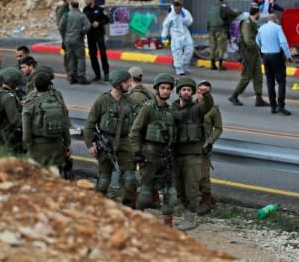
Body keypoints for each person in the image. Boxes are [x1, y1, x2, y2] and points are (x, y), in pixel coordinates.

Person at [84, 69, 137, 208]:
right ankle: (97, 205)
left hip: (125, 142)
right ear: (118, 84)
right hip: (106, 142)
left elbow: (137, 124)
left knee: (131, 178)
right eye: (126, 82)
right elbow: (90, 124)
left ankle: (128, 204)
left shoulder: (130, 101)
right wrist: (90, 145)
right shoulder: (103, 101)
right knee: (103, 181)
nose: (129, 85)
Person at [130, 73, 177, 226]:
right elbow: (135, 131)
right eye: (163, 88)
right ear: (157, 89)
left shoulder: (170, 111)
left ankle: (167, 223)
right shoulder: (148, 108)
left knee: (170, 191)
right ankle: (137, 220)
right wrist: (137, 152)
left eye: (168, 89)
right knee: (146, 189)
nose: (166, 91)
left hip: (166, 156)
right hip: (149, 155)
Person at [171, 77, 213, 231]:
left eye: (189, 90)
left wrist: (206, 94)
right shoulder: (172, 110)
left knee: (192, 189)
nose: (186, 92)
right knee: (180, 189)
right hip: (176, 154)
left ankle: (192, 218)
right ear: (179, 92)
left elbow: (207, 105)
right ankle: (186, 215)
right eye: (184, 89)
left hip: (193, 154)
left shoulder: (196, 109)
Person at [22, 72, 71, 174]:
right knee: (55, 179)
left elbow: (26, 131)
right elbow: (65, 124)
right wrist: (67, 145)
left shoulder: (31, 103)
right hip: (57, 147)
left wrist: (29, 147)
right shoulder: (58, 100)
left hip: (38, 148)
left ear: (35, 86)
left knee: (38, 180)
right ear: (49, 86)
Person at [229, 5, 269, 107]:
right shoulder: (247, 23)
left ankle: (259, 98)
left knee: (258, 76)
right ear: (256, 13)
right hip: (248, 54)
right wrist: (259, 47)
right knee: (246, 76)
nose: (259, 15)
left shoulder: (252, 23)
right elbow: (248, 40)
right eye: (259, 13)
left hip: (253, 53)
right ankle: (234, 96)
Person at [256, 13, 292, 115]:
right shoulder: (278, 28)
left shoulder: (262, 28)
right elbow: (283, 42)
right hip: (276, 56)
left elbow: (257, 41)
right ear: (276, 19)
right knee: (281, 81)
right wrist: (288, 55)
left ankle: (273, 106)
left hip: (265, 56)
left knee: (270, 81)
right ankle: (281, 105)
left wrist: (263, 48)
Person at [197, 80, 223, 216]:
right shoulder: (190, 105)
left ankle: (206, 199)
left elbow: (218, 128)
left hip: (204, 146)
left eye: (206, 90)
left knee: (203, 174)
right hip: (190, 144)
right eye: (201, 89)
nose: (203, 92)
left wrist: (210, 141)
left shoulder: (213, 109)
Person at [58, 0, 92, 85]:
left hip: (68, 39)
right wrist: (82, 32)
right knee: (80, 57)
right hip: (78, 39)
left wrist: (64, 35)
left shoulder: (66, 15)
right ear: (77, 6)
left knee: (70, 57)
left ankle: (72, 76)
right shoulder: (81, 15)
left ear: (71, 6)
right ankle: (81, 76)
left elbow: (61, 27)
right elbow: (88, 26)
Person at [207, 0, 241, 70]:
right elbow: (232, 14)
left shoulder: (213, 6)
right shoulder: (224, 6)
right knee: (221, 46)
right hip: (220, 29)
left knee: (213, 46)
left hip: (211, 29)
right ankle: (220, 65)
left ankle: (212, 65)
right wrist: (239, 12)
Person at [161, 1, 194, 76]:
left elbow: (190, 22)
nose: (177, 11)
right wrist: (163, 36)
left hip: (185, 34)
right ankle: (179, 69)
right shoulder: (171, 15)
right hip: (176, 35)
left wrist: (184, 18)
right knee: (177, 53)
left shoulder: (185, 12)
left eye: (178, 9)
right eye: (176, 9)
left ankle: (185, 65)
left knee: (190, 49)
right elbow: (165, 25)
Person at [83, 0, 110, 81]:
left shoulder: (100, 9)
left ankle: (106, 73)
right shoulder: (85, 10)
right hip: (90, 34)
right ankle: (97, 74)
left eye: (87, 0)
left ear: (92, 0)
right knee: (92, 54)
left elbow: (107, 19)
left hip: (99, 33)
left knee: (102, 53)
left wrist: (99, 23)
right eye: (85, 0)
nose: (85, 1)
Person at [55, 0, 72, 79]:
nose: (70, 0)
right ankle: (68, 72)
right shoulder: (61, 10)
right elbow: (59, 25)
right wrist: (64, 37)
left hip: (71, 35)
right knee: (68, 55)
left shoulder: (69, 8)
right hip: (66, 35)